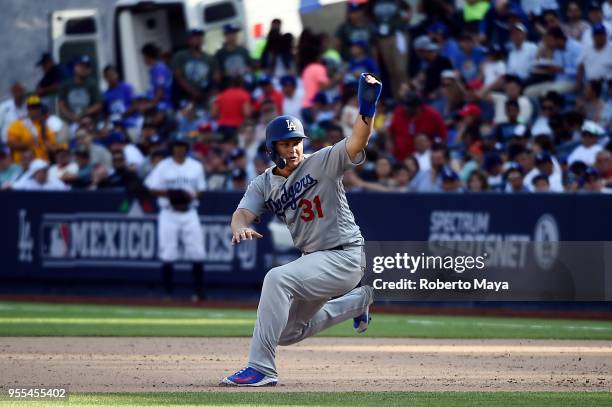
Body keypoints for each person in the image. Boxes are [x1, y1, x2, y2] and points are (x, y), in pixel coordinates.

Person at [221, 73, 381, 387]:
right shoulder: (265, 182)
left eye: (297, 142)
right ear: (271, 148)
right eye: (286, 143)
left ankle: (261, 368)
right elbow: (242, 213)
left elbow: (358, 141)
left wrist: (367, 107)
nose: (294, 148)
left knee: (277, 278)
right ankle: (359, 300)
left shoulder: (322, 161)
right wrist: (240, 228)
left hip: (344, 255)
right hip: (316, 261)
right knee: (286, 332)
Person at [145, 133, 207, 301]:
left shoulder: (195, 166)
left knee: (197, 252)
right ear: (171, 149)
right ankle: (167, 294)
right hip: (168, 213)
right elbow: (150, 188)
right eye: (176, 146)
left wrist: (189, 196)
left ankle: (199, 293)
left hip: (189, 212)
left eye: (182, 146)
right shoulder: (163, 166)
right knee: (168, 252)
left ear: (186, 148)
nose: (179, 149)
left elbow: (201, 189)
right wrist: (171, 193)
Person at [172, 29, 218, 106]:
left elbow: (216, 78)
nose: (198, 40)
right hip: (185, 98)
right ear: (189, 40)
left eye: (200, 37)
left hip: (205, 97)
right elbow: (178, 77)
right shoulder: (180, 56)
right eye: (195, 37)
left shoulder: (210, 58)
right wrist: (192, 92)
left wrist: (209, 94)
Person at [6, 95, 57, 165]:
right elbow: (11, 144)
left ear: (41, 108)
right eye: (32, 107)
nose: (34, 110)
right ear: (27, 109)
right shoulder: (17, 124)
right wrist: (30, 143)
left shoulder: (46, 125)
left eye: (37, 107)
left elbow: (54, 146)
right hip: (22, 164)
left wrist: (46, 144)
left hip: (43, 163)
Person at [58, 55, 102, 124]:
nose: (84, 69)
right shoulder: (66, 84)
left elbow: (98, 104)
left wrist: (84, 113)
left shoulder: (92, 83)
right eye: (82, 66)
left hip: (89, 121)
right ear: (75, 67)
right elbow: (61, 105)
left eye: (87, 66)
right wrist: (71, 116)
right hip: (69, 122)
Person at [141, 43, 173, 112]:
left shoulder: (159, 68)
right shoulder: (154, 69)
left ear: (148, 56)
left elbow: (160, 91)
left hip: (164, 106)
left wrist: (151, 105)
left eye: (144, 56)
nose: (143, 59)